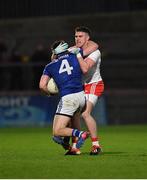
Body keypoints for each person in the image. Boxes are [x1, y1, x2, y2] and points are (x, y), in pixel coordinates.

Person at [39, 40, 89, 153]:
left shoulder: (50, 67)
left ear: (55, 52)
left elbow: (42, 85)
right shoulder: (76, 55)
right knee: (69, 123)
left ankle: (81, 134)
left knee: (57, 131)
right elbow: (93, 46)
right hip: (81, 96)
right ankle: (73, 147)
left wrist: (50, 93)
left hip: (68, 98)